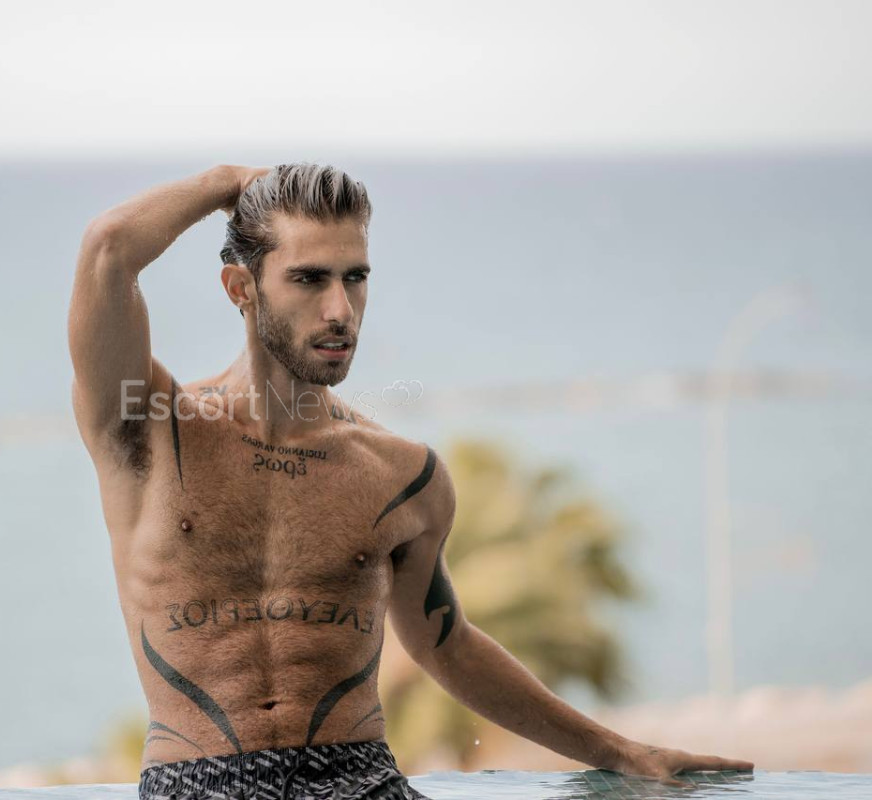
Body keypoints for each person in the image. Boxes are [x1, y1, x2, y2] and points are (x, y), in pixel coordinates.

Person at [66, 163, 754, 799]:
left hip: (361, 781)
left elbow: (446, 645)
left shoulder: (401, 474)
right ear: (241, 288)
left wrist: (619, 751)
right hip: (196, 783)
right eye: (309, 279)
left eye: (355, 277)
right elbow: (108, 249)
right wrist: (231, 181)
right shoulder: (149, 429)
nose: (341, 309)